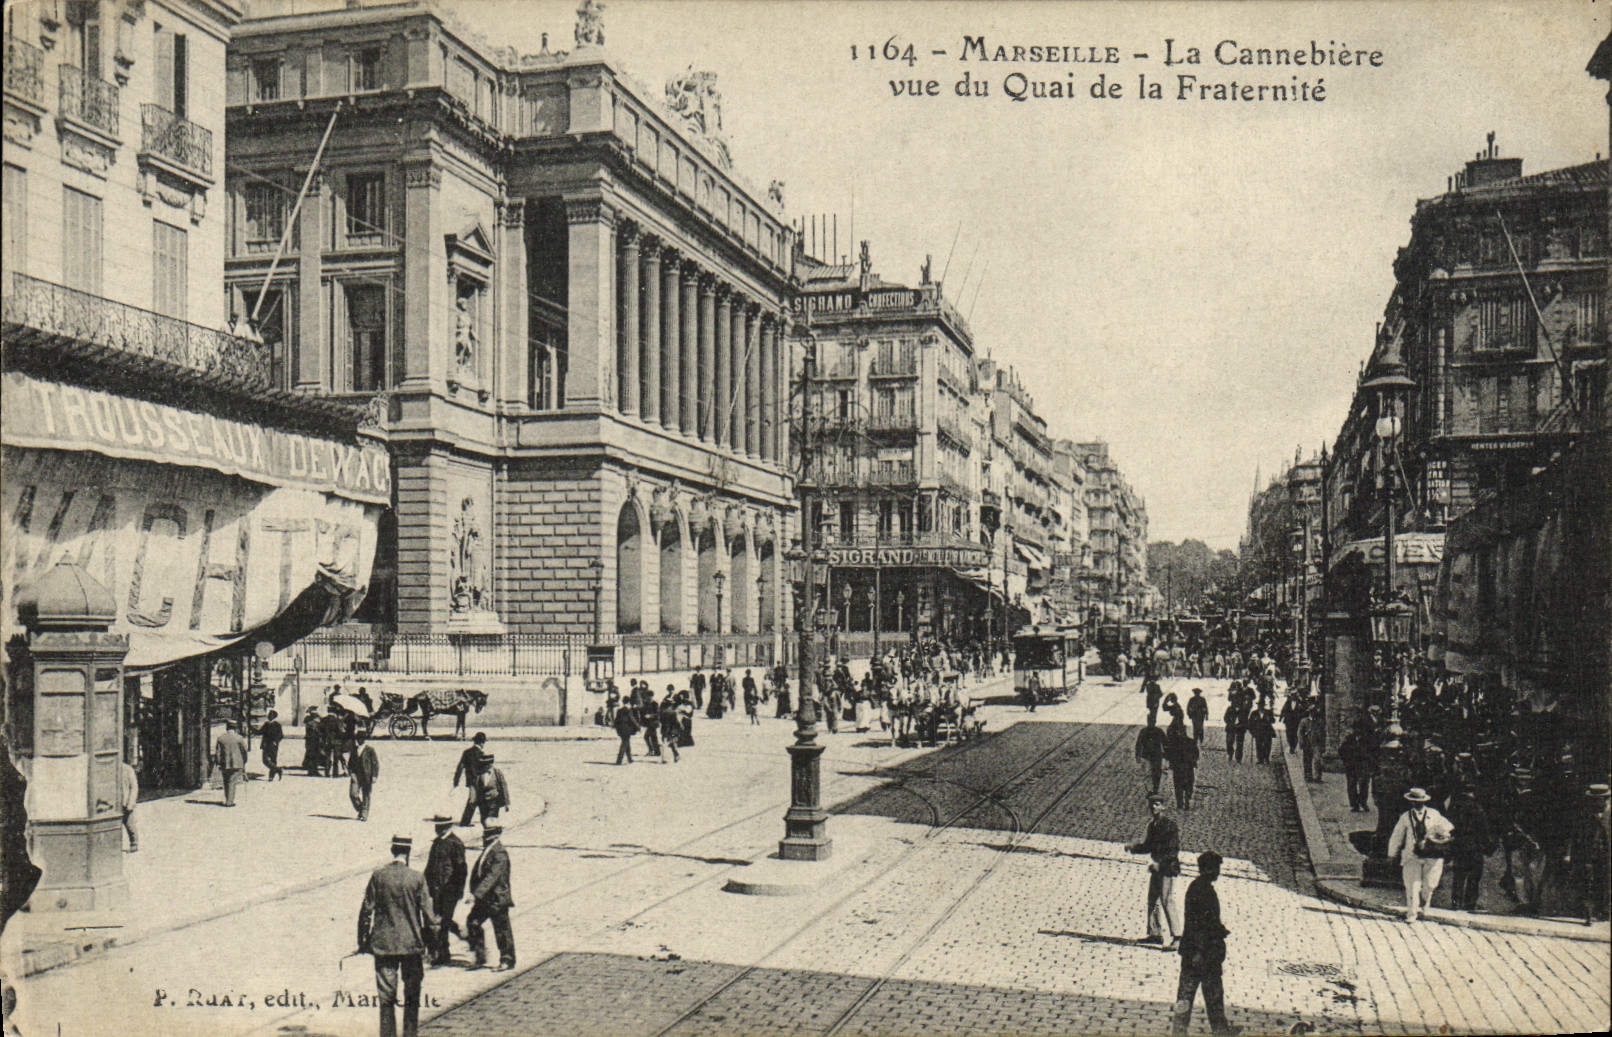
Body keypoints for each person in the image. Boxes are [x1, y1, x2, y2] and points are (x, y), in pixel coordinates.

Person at [357, 834, 438, 1037]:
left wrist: (363, 941)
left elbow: (366, 910)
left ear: (393, 851)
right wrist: (432, 944)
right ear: (408, 852)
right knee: (412, 996)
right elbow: (429, 916)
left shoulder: (378, 876)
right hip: (411, 945)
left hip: (384, 946)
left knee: (386, 999)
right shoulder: (417, 878)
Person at [1171, 851, 1241, 1036]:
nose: (1218, 872)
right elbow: (1199, 925)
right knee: (1209, 996)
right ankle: (1219, 1031)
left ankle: (1181, 1030)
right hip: (1203, 953)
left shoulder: (1197, 887)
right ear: (1208, 869)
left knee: (1189, 995)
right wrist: (1200, 951)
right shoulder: (1204, 892)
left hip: (1194, 952)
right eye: (1216, 868)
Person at [1387, 786, 1454, 923]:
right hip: (1412, 855)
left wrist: (1437, 834)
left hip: (1432, 855)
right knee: (1412, 885)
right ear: (1411, 802)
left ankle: (1426, 901)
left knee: (1430, 884)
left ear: (1424, 802)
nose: (1418, 804)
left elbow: (1448, 827)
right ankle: (1411, 913)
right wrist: (1392, 854)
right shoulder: (1405, 817)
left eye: (1420, 802)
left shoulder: (1434, 814)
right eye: (1415, 802)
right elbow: (1397, 836)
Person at [1126, 794, 1182, 948]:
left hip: (1167, 868)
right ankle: (1154, 933)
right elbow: (1148, 846)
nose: (1153, 807)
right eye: (1151, 804)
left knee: (1166, 900)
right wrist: (1134, 848)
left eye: (1157, 804)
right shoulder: (1153, 825)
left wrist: (1160, 864)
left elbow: (1173, 851)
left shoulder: (1169, 825)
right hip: (1157, 867)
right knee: (1153, 900)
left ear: (1164, 806)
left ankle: (1177, 936)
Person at [464, 823, 515, 971]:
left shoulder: (499, 853)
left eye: (489, 834)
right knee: (473, 922)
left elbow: (492, 877)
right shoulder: (488, 850)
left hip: (497, 898)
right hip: (485, 899)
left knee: (502, 930)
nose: (485, 838)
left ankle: (507, 960)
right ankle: (480, 957)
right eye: (485, 834)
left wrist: (476, 895)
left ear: (496, 835)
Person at [423, 811, 466, 966]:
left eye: (439, 826)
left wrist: (458, 890)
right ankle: (444, 950)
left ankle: (442, 953)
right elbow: (430, 867)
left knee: (442, 922)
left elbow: (461, 869)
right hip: (436, 889)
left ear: (447, 826)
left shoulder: (455, 843)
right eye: (436, 825)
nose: (436, 828)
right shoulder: (437, 842)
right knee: (438, 920)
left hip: (449, 890)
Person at [1567, 784, 1611, 925]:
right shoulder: (1584, 815)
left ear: (1606, 799)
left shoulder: (1609, 814)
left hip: (1607, 855)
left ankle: (1604, 912)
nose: (1596, 803)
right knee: (1588, 883)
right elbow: (1575, 835)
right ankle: (1588, 915)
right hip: (1588, 855)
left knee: (1605, 883)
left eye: (1599, 799)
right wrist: (1569, 854)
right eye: (1593, 800)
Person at [1445, 789, 1494, 913]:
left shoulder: (1456, 812)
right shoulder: (1479, 812)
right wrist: (1488, 847)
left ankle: (1456, 902)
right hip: (1475, 848)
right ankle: (1470, 904)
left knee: (1459, 876)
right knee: (1474, 877)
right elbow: (1485, 832)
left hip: (1461, 847)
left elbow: (1451, 829)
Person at [1339, 719, 1376, 812]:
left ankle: (1363, 802)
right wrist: (1346, 761)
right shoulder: (1349, 739)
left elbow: (1373, 751)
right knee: (1351, 785)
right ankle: (1354, 804)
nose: (1358, 731)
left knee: (1364, 784)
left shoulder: (1367, 740)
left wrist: (1369, 761)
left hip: (1363, 765)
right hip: (1351, 766)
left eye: (1360, 729)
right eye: (1356, 729)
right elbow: (1341, 750)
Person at [1165, 718, 1200, 811]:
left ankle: (1186, 800)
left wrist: (1193, 761)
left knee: (1188, 784)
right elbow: (1169, 754)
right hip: (1180, 767)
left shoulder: (1190, 742)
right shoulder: (1176, 743)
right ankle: (1180, 802)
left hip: (1186, 767)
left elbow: (1196, 753)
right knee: (1179, 785)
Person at [465, 754, 509, 824]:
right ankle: (487, 833)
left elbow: (504, 787)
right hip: (483, 802)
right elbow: (475, 787)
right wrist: (473, 799)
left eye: (487, 765)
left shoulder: (497, 772)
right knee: (483, 820)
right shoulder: (479, 774)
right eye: (484, 765)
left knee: (491, 820)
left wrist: (506, 803)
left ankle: (492, 832)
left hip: (494, 800)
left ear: (491, 764)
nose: (485, 767)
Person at [213, 721, 249, 807]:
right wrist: (244, 761)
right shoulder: (239, 738)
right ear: (235, 728)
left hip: (224, 764)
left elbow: (217, 753)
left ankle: (228, 799)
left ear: (227, 728)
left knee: (226, 781)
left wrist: (218, 763)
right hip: (237, 764)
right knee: (232, 782)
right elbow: (244, 751)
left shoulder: (221, 738)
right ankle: (229, 802)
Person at [349, 730, 380, 822]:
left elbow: (375, 764)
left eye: (361, 739)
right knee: (353, 794)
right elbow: (350, 763)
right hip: (356, 775)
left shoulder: (370, 750)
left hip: (367, 775)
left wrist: (374, 775)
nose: (359, 740)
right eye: (358, 739)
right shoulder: (354, 749)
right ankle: (361, 809)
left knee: (366, 795)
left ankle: (364, 814)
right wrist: (351, 773)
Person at [1135, 720, 1166, 797]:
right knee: (1148, 773)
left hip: (1156, 756)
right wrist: (1138, 755)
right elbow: (1139, 743)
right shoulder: (1144, 731)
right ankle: (1150, 790)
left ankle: (1155, 789)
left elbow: (1165, 743)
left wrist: (1166, 754)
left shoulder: (1158, 731)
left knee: (1156, 773)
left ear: (1154, 722)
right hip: (1147, 756)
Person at [119, 759, 140, 852]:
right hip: (114, 803)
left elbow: (134, 787)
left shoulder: (127, 769)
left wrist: (130, 803)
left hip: (125, 802)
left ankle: (134, 844)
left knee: (129, 824)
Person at [259, 711, 284, 781]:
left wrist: (276, 741)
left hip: (273, 745)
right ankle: (278, 769)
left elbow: (281, 735)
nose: (268, 716)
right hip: (266, 745)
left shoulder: (277, 725)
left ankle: (271, 776)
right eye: (268, 715)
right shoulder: (266, 724)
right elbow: (260, 732)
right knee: (265, 760)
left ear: (274, 716)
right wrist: (251, 728)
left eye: (270, 715)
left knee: (273, 760)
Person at [613, 698, 639, 764]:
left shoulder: (619, 710)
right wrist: (638, 727)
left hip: (620, 729)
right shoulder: (628, 710)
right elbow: (632, 719)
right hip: (626, 729)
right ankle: (619, 760)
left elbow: (616, 720)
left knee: (627, 743)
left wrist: (616, 728)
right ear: (628, 703)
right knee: (624, 743)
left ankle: (629, 759)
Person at [658, 691, 682, 763]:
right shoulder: (673, 712)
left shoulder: (662, 712)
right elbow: (676, 722)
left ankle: (664, 758)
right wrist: (680, 727)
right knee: (672, 743)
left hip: (665, 729)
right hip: (672, 730)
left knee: (664, 743)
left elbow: (661, 721)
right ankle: (676, 755)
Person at [301, 707, 325, 776]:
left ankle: (311, 770)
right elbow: (317, 732)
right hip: (314, 742)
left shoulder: (309, 722)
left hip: (309, 742)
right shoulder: (313, 724)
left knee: (311, 756)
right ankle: (313, 771)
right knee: (314, 756)